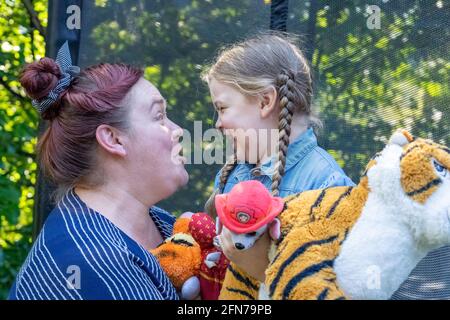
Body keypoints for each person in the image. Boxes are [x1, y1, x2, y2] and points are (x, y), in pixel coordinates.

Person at [8, 42, 188, 300]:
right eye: (159, 116)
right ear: (113, 139)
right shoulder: (93, 260)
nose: (177, 129)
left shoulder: (158, 223)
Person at [202, 34, 355, 283]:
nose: (218, 123)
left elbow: (336, 287)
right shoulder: (230, 175)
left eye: (222, 108)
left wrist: (258, 268)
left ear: (265, 101)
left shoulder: (328, 186)